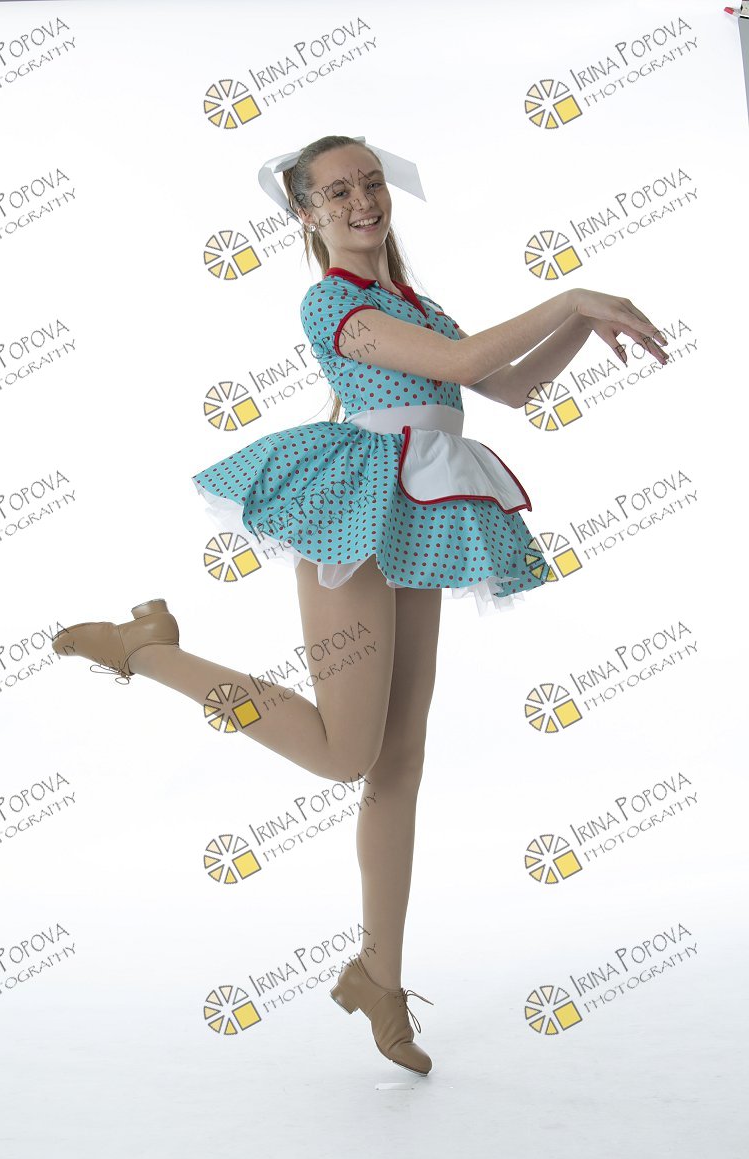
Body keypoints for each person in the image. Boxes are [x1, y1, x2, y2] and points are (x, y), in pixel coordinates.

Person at [51, 134, 669, 1076]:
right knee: (347, 755)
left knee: (398, 764)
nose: (362, 200)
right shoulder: (333, 300)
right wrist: (574, 296)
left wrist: (584, 326)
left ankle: (380, 978)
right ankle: (148, 650)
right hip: (352, 502)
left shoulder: (416, 303)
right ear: (307, 214)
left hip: (420, 505)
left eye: (371, 182)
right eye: (337, 191)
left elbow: (505, 384)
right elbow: (464, 362)